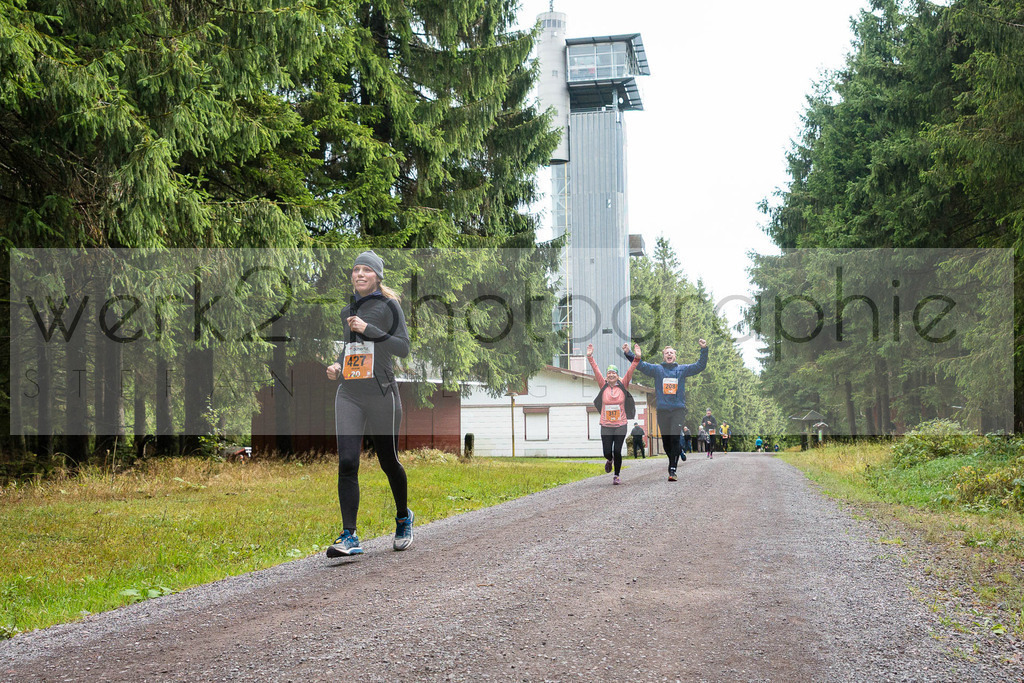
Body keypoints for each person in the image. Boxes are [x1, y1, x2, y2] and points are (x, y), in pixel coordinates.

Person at [325, 251, 413, 557]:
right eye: (356, 269)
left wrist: (369, 329)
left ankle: (403, 518)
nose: (360, 274)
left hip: (382, 392)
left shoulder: (390, 306)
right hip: (350, 392)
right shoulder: (348, 309)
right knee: (348, 462)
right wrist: (338, 365)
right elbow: (351, 348)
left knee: (388, 461)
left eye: (366, 270)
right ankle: (349, 535)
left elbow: (403, 347)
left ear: (377, 276)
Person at [623, 340, 708, 481]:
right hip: (663, 410)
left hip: (678, 409)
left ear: (675, 356)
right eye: (667, 353)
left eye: (671, 353)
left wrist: (704, 349)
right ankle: (676, 453)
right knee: (667, 442)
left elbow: (700, 366)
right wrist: (629, 353)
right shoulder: (657, 370)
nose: (669, 354)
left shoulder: (682, 369)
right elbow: (641, 365)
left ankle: (672, 468)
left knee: (674, 437)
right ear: (663, 356)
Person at [588, 343, 640, 484]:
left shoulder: (623, 385)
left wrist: (637, 358)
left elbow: (631, 370)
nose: (611, 375)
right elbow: (596, 370)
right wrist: (590, 357)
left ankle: (616, 475)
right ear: (606, 376)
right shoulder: (603, 385)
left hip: (620, 424)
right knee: (607, 451)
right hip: (606, 424)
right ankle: (609, 460)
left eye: (614, 373)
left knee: (617, 450)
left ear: (618, 376)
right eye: (609, 373)